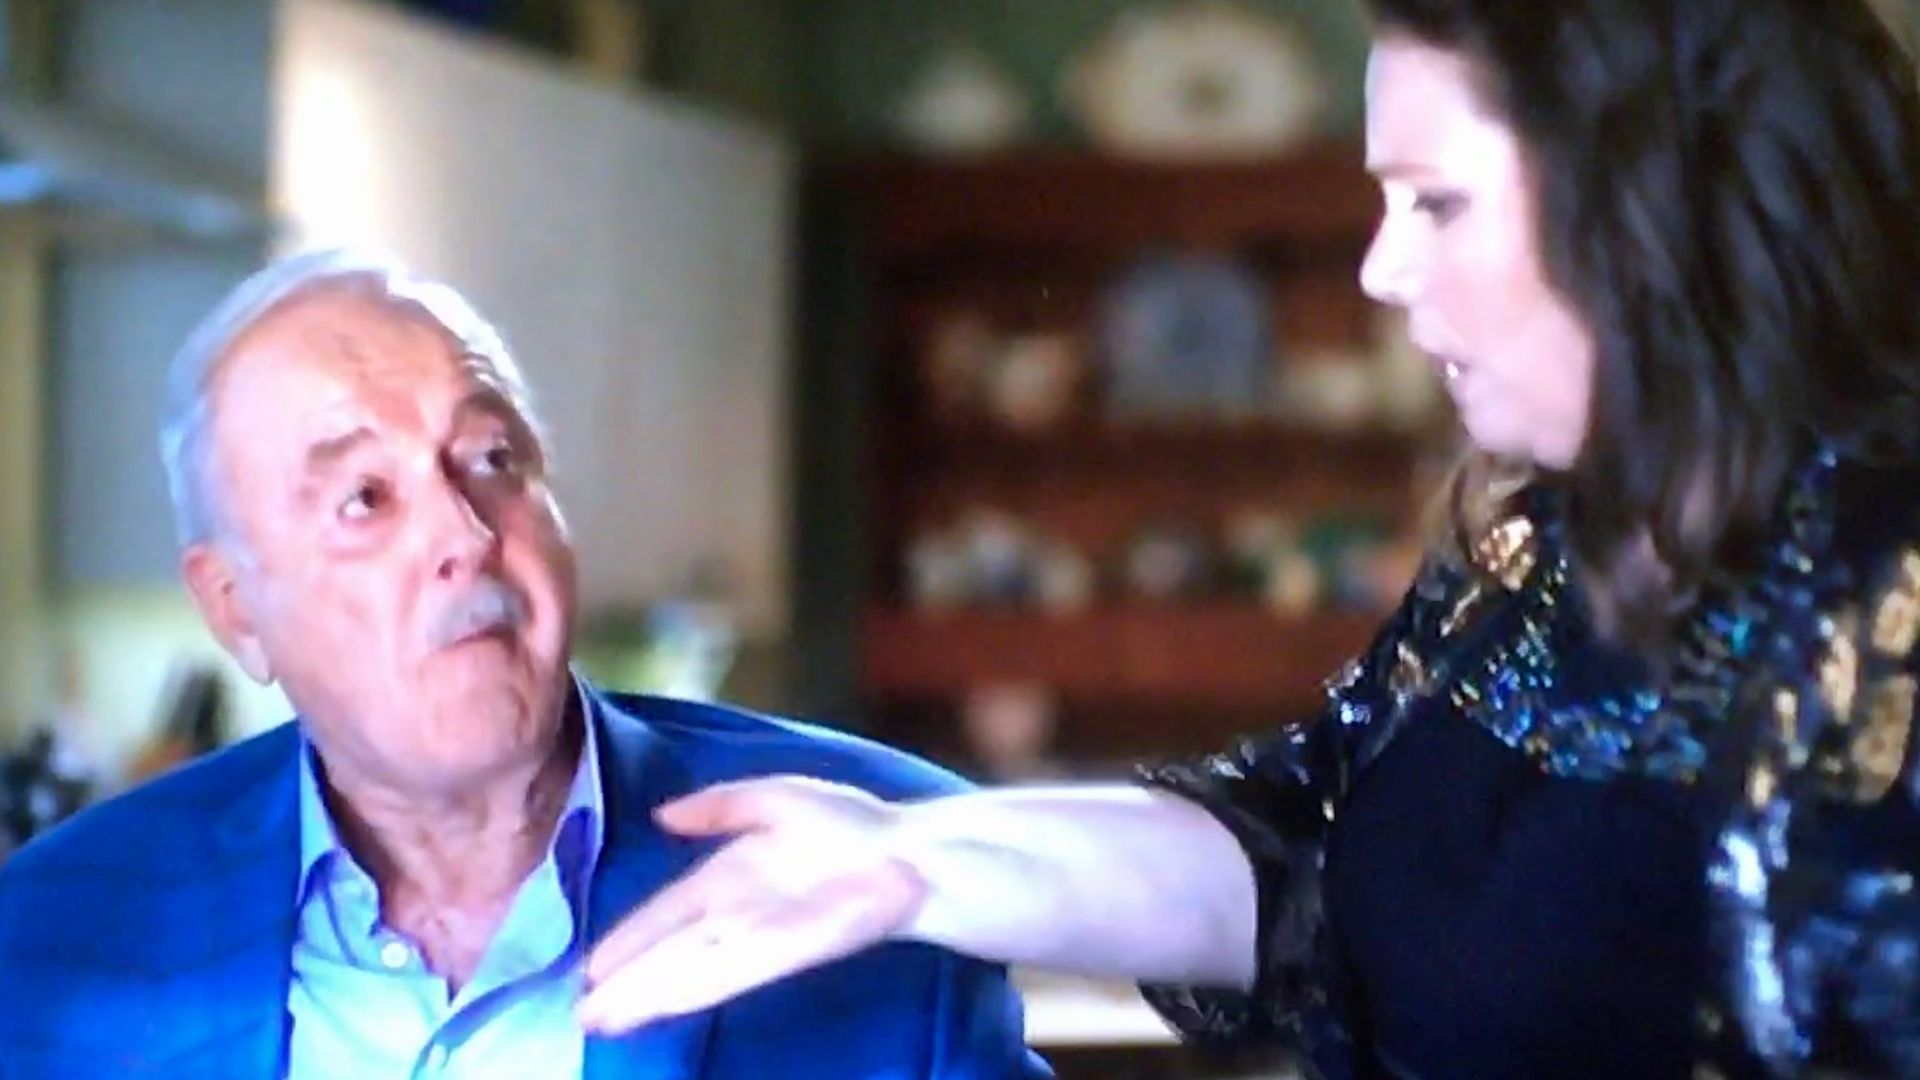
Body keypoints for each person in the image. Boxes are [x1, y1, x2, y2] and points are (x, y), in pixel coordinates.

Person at [575, 1, 1920, 1077]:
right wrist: (910, 859)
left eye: (1437, 202)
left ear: (1656, 206)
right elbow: (1300, 847)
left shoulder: (1884, 600)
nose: (1379, 269)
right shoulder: (1543, 558)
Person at [0, 250, 1048, 1079]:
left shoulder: (879, 860)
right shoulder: (53, 932)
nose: (464, 533)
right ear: (235, 608)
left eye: (493, 460)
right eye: (365, 498)